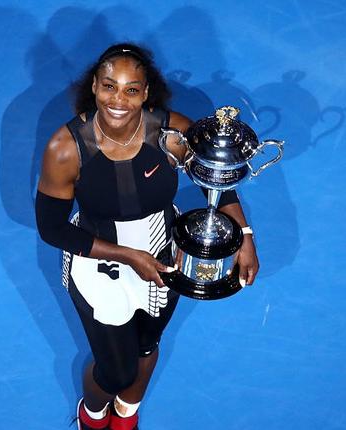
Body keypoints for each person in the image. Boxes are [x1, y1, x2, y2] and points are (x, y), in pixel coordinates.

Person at [35, 43, 259, 430]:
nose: (118, 100)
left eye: (131, 90)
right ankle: (91, 418)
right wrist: (129, 256)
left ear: (146, 93)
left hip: (165, 254)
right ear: (94, 86)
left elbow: (217, 180)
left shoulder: (173, 133)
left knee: (145, 346)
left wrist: (245, 236)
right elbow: (51, 228)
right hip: (95, 263)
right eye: (109, 86)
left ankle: (125, 418)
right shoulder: (64, 149)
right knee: (116, 372)